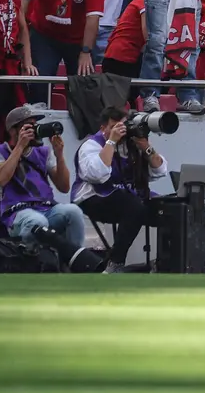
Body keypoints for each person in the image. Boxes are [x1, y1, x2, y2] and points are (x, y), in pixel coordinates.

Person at [72, 106, 168, 273]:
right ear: (103, 129)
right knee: (134, 206)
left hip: (129, 197)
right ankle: (115, 262)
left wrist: (146, 146)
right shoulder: (91, 145)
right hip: (93, 197)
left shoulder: (133, 145)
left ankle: (166, 262)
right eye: (114, 127)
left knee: (172, 210)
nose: (121, 131)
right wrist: (111, 141)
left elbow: (160, 170)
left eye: (123, 126)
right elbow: (97, 174)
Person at [0, 105, 84, 251]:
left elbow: (64, 187)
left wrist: (59, 155)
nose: (34, 131)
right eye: (29, 127)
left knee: (73, 212)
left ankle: (73, 261)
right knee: (37, 221)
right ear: (13, 130)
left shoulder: (43, 152)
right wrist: (20, 146)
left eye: (35, 126)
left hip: (47, 208)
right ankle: (30, 262)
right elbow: (0, 179)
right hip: (17, 213)